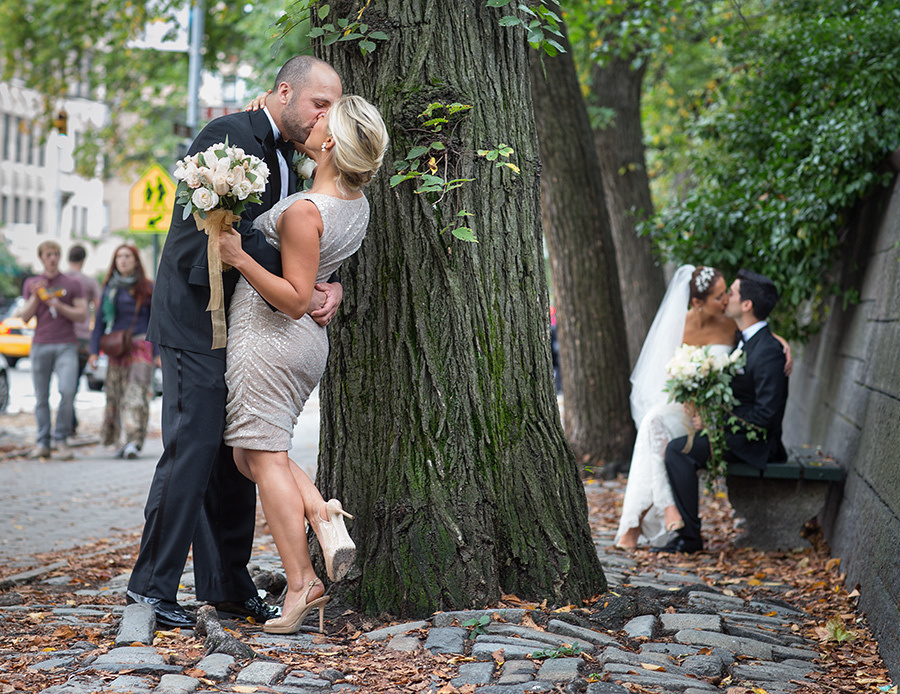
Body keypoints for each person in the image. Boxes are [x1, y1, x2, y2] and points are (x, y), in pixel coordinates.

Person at [126, 55, 344, 629]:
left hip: (241, 329)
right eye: (319, 104)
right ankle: (150, 591)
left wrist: (324, 283)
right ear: (284, 92)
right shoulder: (228, 135)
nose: (326, 118)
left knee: (229, 457)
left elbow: (293, 239)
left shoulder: (286, 159)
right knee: (192, 451)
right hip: (195, 322)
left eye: (332, 109)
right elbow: (224, 237)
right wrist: (301, 287)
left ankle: (226, 587)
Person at [218, 94, 388, 634]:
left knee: (263, 459)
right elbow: (315, 276)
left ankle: (301, 584)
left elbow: (293, 299)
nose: (314, 122)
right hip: (298, 345)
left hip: (272, 338)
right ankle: (319, 511)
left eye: (323, 120)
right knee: (251, 457)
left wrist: (240, 256)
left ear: (332, 143)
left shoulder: (304, 211)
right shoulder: (352, 203)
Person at [615, 266, 791, 549]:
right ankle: (668, 521)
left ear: (745, 304)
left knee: (675, 449)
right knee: (654, 425)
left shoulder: (762, 345)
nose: (725, 300)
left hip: (750, 438)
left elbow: (765, 410)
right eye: (721, 295)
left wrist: (713, 423)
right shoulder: (732, 333)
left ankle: (680, 532)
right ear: (698, 302)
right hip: (701, 413)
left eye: (729, 294)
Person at [88, 245, 157, 460]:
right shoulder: (110, 288)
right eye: (119, 257)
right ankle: (119, 440)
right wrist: (93, 352)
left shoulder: (147, 288)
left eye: (127, 256)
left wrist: (158, 354)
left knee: (136, 395)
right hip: (117, 349)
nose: (123, 260)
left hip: (141, 347)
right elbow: (99, 322)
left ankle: (134, 442)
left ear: (136, 261)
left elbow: (157, 322)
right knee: (115, 396)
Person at [21, 241, 87, 460]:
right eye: (48, 254)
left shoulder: (72, 283)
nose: (53, 258)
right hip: (41, 344)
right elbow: (25, 317)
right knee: (41, 397)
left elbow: (82, 314)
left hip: (66, 344)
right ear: (41, 257)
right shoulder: (32, 282)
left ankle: (61, 439)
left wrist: (60, 307)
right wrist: (34, 296)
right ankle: (43, 443)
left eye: (56, 254)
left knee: (68, 391)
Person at [66, 244, 102, 438]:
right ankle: (70, 422)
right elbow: (99, 308)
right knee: (74, 381)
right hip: (82, 338)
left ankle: (68, 422)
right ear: (84, 259)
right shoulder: (89, 282)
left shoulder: (61, 279)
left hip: (62, 336)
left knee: (65, 383)